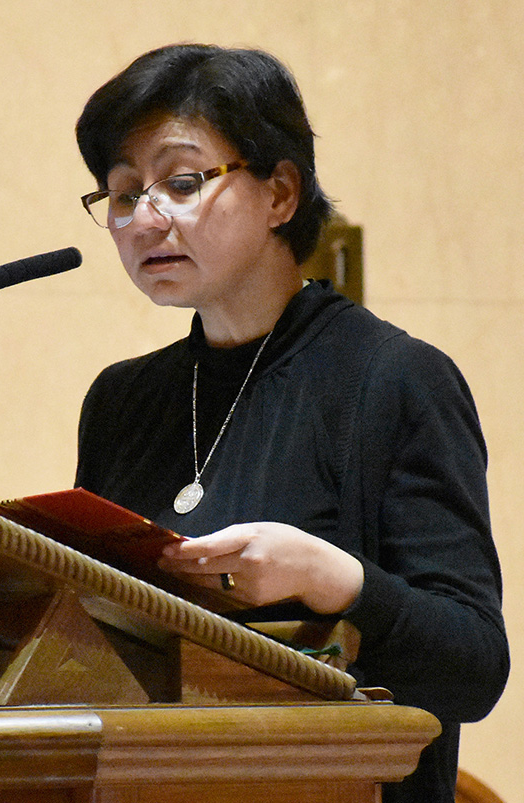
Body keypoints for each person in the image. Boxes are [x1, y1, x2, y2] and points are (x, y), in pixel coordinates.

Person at [73, 43, 508, 802]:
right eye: (119, 194)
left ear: (280, 193)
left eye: (180, 182)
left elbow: (473, 667)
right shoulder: (121, 402)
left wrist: (331, 579)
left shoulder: (394, 380)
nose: (144, 219)